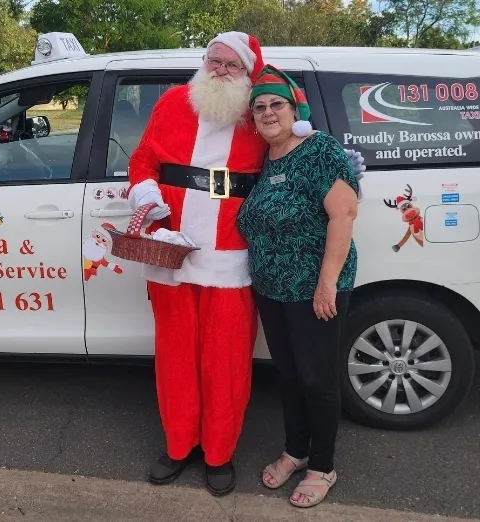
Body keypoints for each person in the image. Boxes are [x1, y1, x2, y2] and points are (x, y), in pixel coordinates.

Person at [126, 32, 365, 497]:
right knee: (175, 358)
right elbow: (143, 161)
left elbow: (318, 174)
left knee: (227, 360)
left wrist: (347, 171)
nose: (218, 70)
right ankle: (179, 446)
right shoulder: (174, 102)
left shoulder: (262, 120)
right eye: (213, 60)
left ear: (249, 74)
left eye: (230, 65)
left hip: (232, 260)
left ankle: (218, 453)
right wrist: (148, 197)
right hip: (171, 253)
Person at [236, 65, 360, 508]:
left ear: (294, 110)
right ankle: (296, 449)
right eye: (260, 106)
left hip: (313, 290)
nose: (268, 112)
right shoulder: (266, 159)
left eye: (277, 104)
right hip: (272, 290)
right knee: (289, 375)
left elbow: (343, 213)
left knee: (317, 377)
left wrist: (326, 284)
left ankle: (322, 466)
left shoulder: (317, 150)